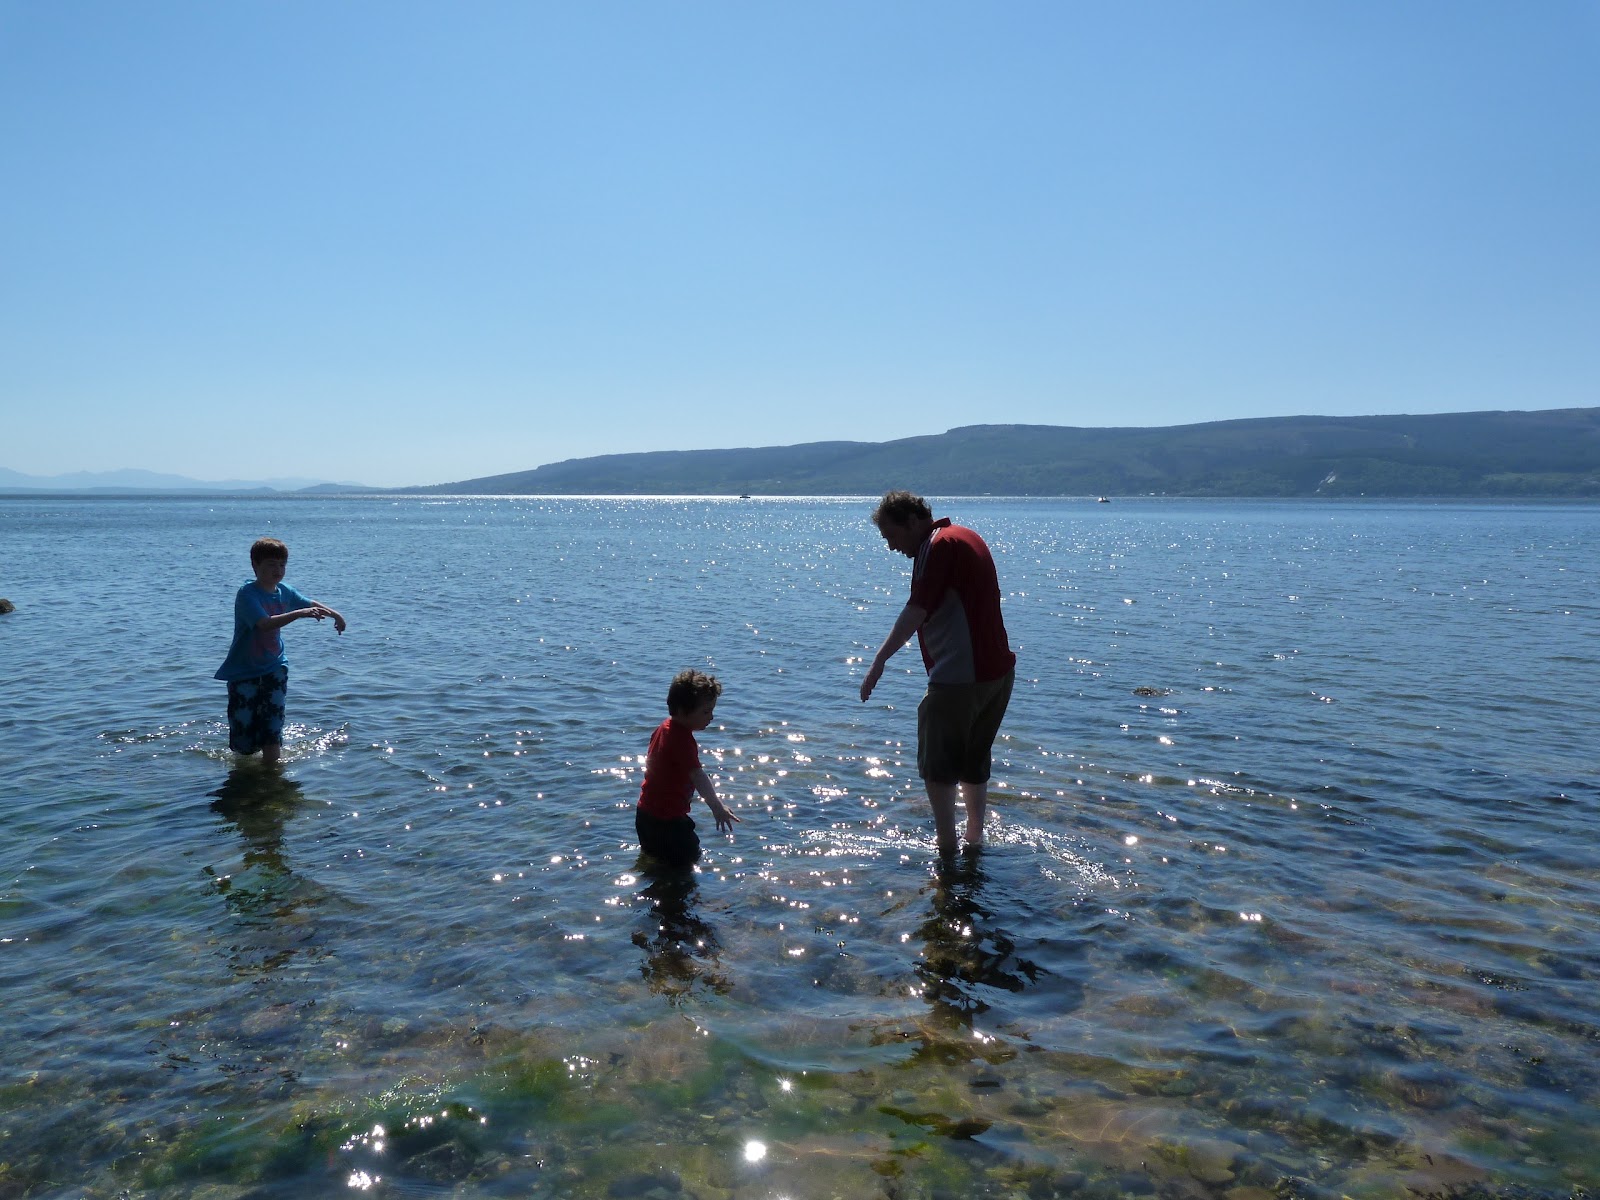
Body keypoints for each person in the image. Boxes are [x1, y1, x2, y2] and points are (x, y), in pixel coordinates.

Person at [859, 490, 1016, 853]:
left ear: (913, 521)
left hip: (961, 676)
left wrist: (879, 660)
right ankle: (975, 838)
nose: (891, 547)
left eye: (892, 536)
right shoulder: (965, 534)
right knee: (974, 759)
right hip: (997, 674)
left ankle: (946, 846)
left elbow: (917, 610)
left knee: (937, 765)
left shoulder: (938, 544)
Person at [214, 537, 346, 766]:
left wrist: (336, 614)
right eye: (271, 565)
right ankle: (244, 775)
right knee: (244, 740)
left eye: (282, 565)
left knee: (273, 723)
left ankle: (272, 772)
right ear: (255, 565)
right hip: (243, 671)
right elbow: (264, 624)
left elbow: (308, 602)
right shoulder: (247, 594)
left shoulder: (284, 591)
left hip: (275, 667)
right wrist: (299, 614)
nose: (278, 570)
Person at [636, 669, 739, 866]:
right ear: (683, 711)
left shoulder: (664, 728)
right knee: (687, 861)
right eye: (706, 711)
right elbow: (698, 775)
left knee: (654, 863)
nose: (711, 717)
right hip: (666, 820)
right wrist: (717, 807)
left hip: (646, 814)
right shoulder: (681, 740)